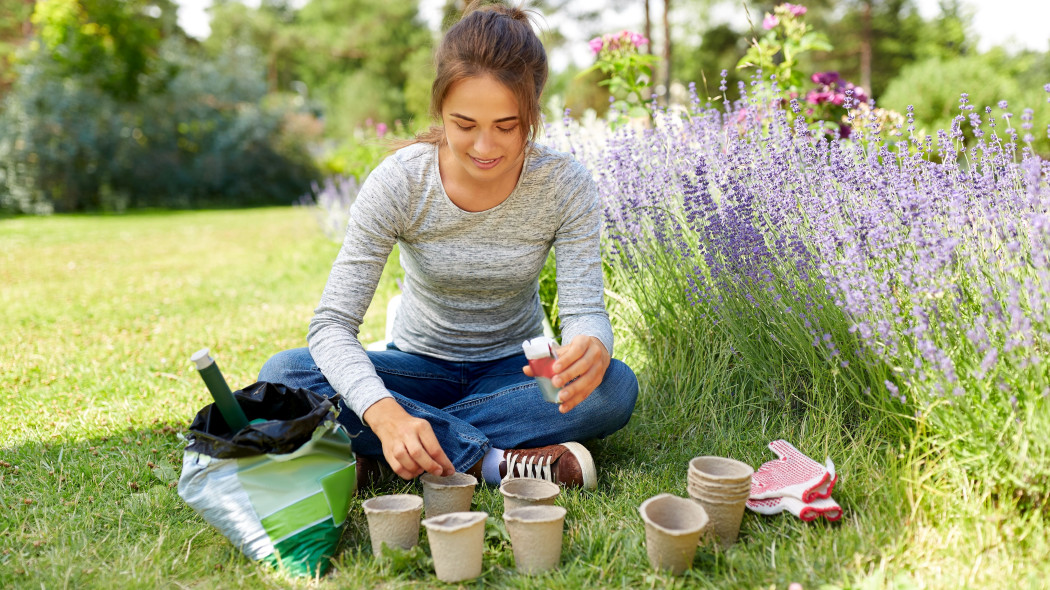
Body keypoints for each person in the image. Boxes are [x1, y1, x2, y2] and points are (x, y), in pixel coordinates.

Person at [258, 1, 638, 491]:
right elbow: (331, 325)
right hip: (417, 366)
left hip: (517, 370)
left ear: (533, 111)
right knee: (285, 374)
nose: (484, 148)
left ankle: (388, 453)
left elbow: (586, 310)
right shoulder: (400, 182)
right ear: (440, 107)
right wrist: (386, 412)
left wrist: (592, 345)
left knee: (614, 388)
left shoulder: (565, 185)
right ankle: (490, 462)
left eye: (506, 126)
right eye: (464, 124)